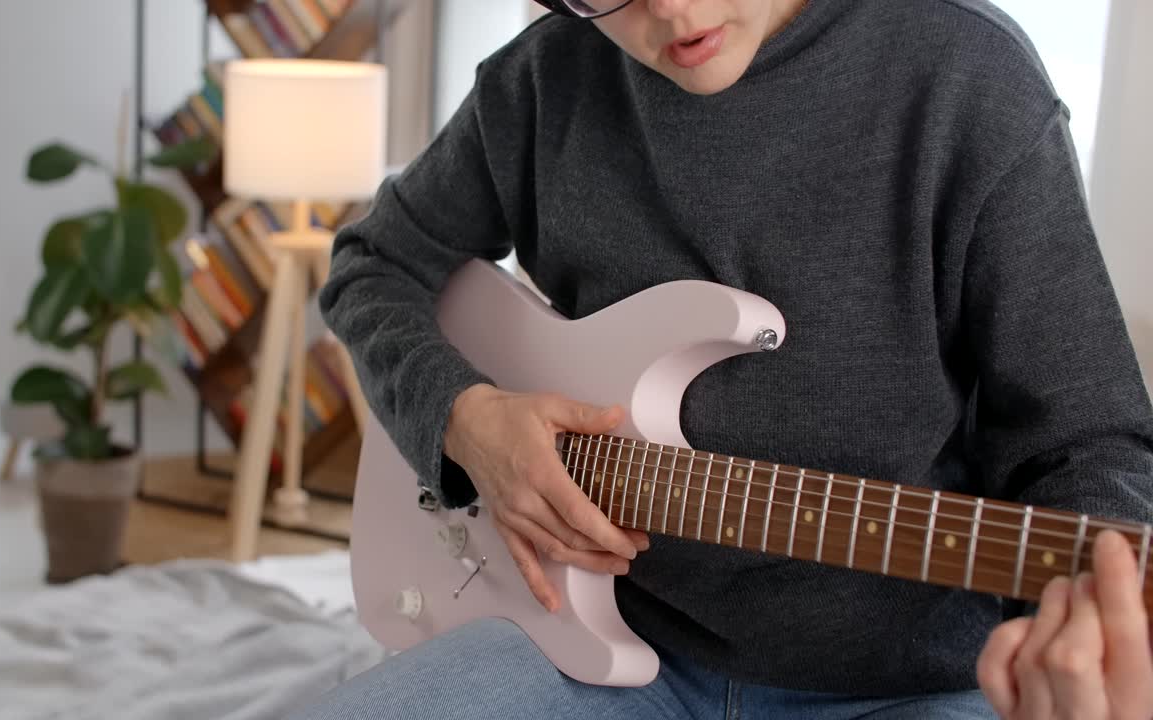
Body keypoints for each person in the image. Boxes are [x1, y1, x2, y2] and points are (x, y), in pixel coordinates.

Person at [300, 0, 1153, 717]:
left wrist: (1079, 623)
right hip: (595, 647)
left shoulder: (968, 79)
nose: (671, 11)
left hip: (908, 684)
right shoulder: (540, 81)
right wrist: (466, 420)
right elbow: (372, 266)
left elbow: (1088, 444)